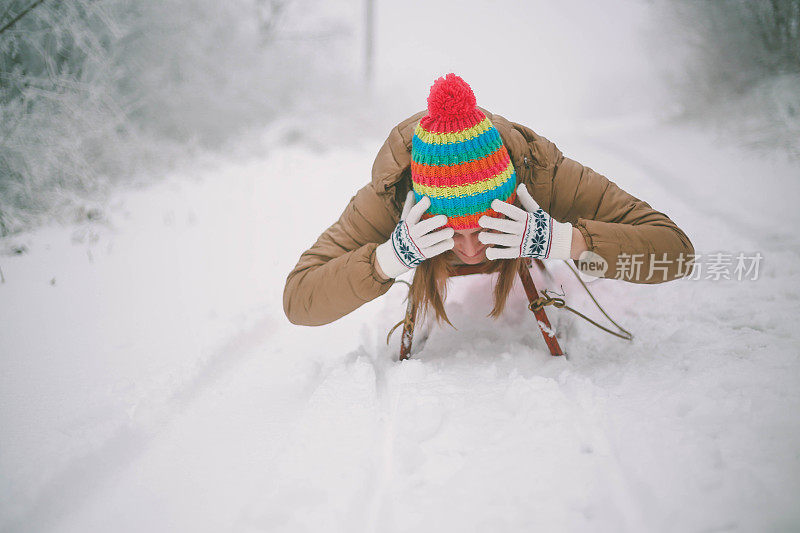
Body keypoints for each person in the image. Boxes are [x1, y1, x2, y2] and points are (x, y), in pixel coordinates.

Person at [283, 73, 694, 327]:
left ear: (512, 197)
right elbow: (299, 300)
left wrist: (567, 240)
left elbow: (677, 252)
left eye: (484, 228)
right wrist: (388, 258)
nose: (470, 250)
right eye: (450, 234)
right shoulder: (390, 197)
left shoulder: (542, 176)